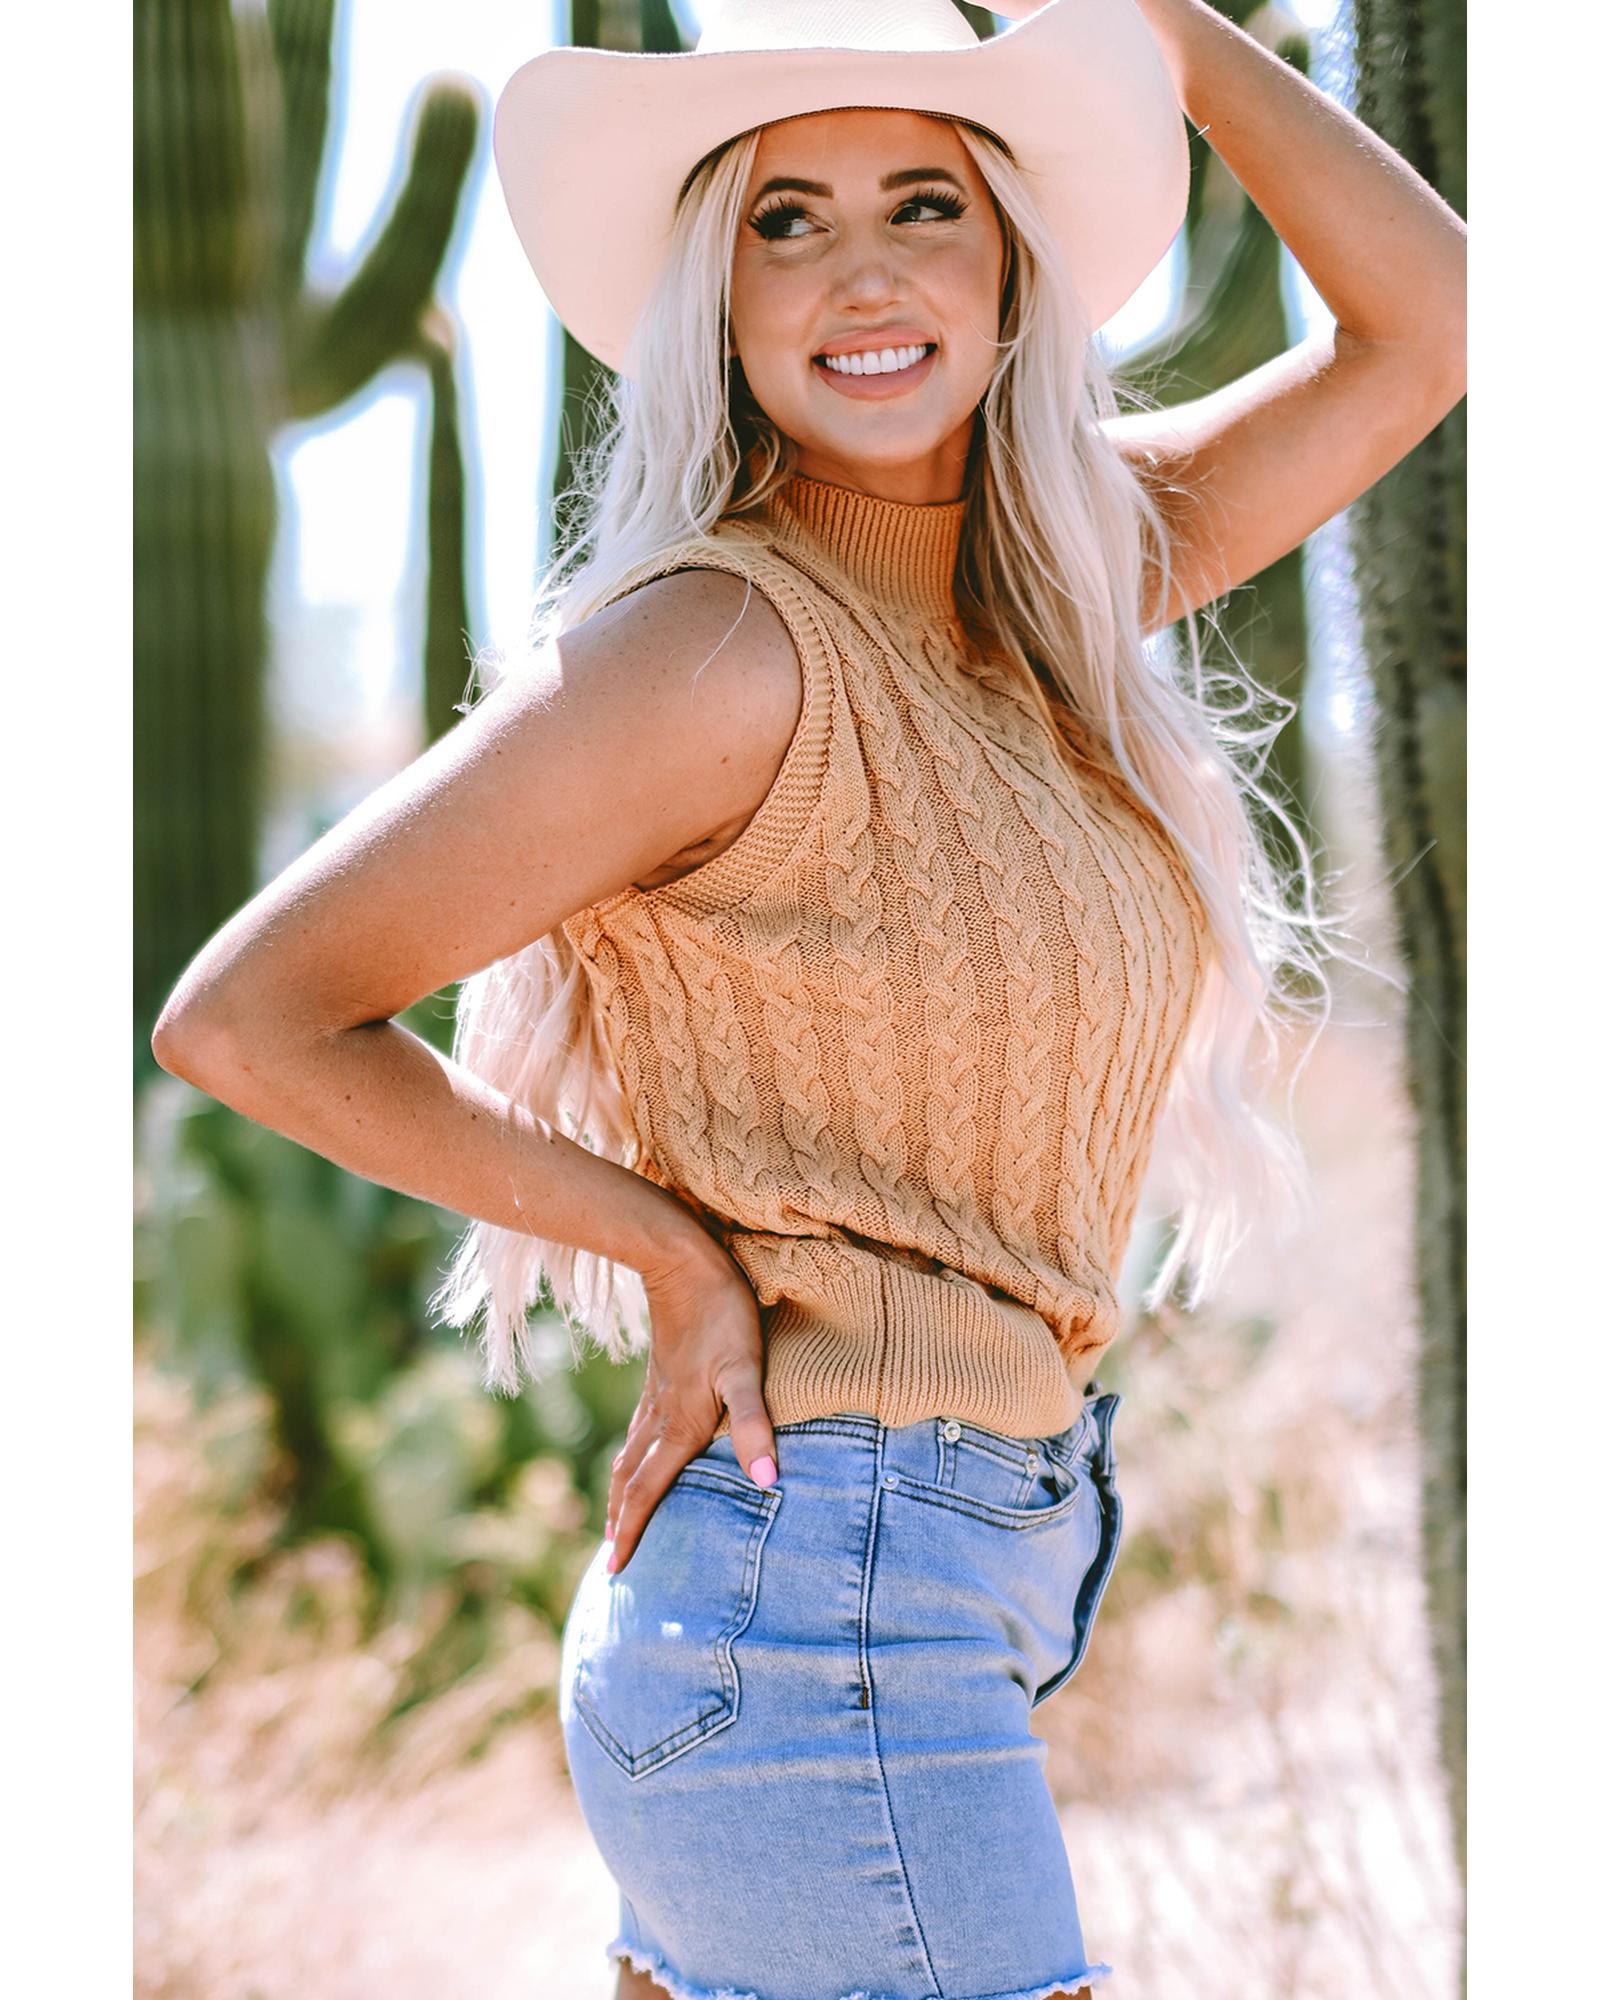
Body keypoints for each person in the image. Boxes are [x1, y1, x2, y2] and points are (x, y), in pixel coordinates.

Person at [150, 1, 1467, 1995]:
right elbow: (248, 1015)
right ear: (720, 296)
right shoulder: (719, 646)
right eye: (787, 221)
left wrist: (1163, 34)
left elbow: (1430, 326)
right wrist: (662, 1248)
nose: (862, 272)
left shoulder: (1052, 582)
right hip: (823, 1594)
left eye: (924, 203)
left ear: (1009, 270)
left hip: (936, 1569)